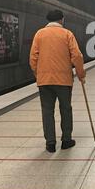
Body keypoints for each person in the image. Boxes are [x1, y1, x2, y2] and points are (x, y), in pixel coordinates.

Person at [29, 9, 86, 153]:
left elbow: (33, 58)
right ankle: (66, 140)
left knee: (47, 111)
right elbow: (77, 56)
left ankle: (50, 143)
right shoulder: (67, 34)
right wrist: (81, 74)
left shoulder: (39, 34)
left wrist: (39, 74)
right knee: (65, 109)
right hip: (64, 80)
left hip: (45, 81)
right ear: (62, 19)